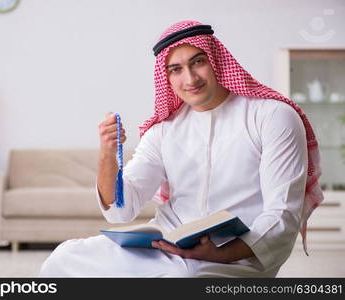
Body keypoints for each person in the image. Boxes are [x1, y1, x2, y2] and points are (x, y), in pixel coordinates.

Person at [39, 20, 323, 278]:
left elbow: (282, 214)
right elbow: (120, 212)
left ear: (215, 61)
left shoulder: (272, 116)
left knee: (181, 279)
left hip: (236, 257)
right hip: (167, 247)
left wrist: (221, 253)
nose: (190, 78)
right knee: (63, 258)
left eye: (197, 62)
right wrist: (106, 153)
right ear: (167, 77)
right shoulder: (164, 130)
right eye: (176, 69)